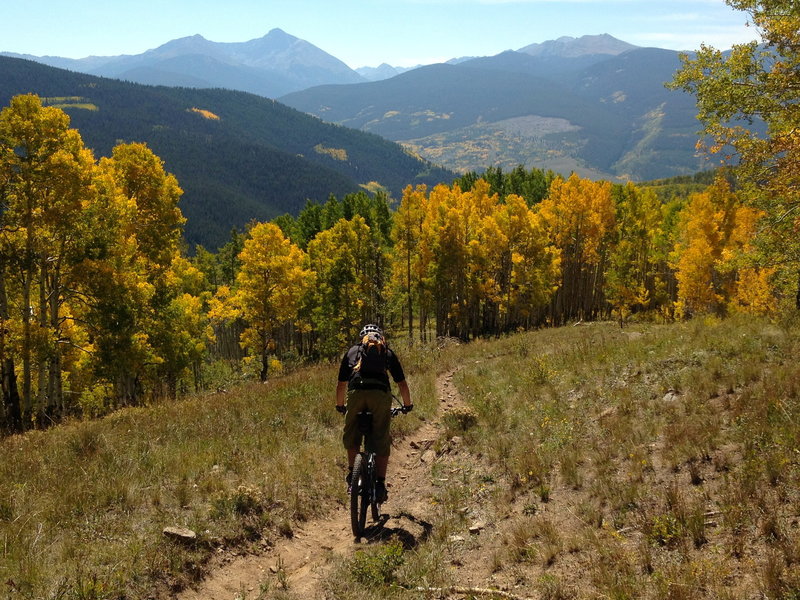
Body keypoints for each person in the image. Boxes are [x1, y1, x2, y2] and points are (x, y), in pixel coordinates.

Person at [336, 324, 412, 503]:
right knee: (380, 437)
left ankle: (352, 477)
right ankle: (379, 483)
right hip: (380, 395)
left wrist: (340, 405)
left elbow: (341, 384)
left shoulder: (353, 351)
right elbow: (401, 383)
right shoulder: (387, 352)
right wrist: (407, 405)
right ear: (380, 338)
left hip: (356, 394)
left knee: (352, 434)